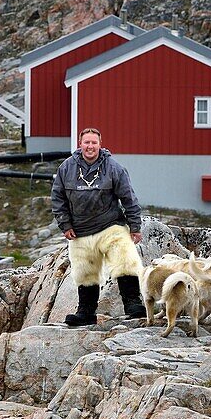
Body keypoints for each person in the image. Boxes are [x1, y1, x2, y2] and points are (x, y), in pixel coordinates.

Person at [51, 127, 146, 326]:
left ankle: (133, 304)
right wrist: (65, 224)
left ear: (100, 145)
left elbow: (128, 197)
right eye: (87, 142)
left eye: (94, 142)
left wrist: (135, 226)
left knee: (126, 259)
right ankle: (86, 311)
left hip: (110, 225)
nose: (90, 146)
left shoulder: (114, 167)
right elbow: (57, 198)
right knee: (84, 271)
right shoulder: (66, 168)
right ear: (80, 144)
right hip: (80, 231)